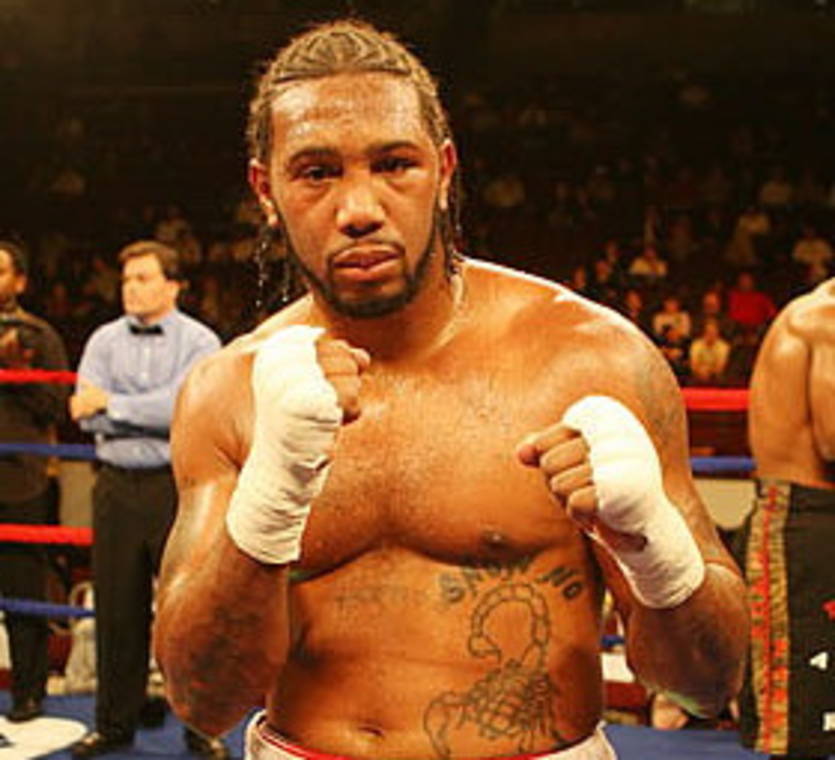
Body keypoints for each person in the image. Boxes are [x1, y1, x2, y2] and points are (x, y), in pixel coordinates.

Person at [153, 20, 749, 760]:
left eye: (393, 164)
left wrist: (655, 547)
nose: (359, 208)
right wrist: (269, 497)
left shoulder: (590, 360)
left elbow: (706, 685)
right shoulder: (226, 392)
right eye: (316, 172)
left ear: (442, 171)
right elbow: (201, 699)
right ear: (264, 190)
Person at [68, 241, 224, 759]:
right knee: (116, 610)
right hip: (115, 486)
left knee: (191, 611)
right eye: (126, 280)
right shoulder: (102, 340)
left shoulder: (201, 341)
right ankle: (114, 725)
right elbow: (83, 414)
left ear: (172, 285)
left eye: (142, 278)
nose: (130, 288)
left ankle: (202, 727)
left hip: (177, 485)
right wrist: (147, 410)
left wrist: (113, 404)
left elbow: (189, 409)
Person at [737, 278, 835, 760]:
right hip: (802, 523)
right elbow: (833, 440)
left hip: (819, 522)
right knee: (804, 717)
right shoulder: (825, 319)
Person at [0, 240, 69, 722]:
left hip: (18, 480)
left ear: (19, 282)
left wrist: (18, 373)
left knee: (23, 588)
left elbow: (57, 407)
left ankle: (29, 692)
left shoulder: (38, 335)